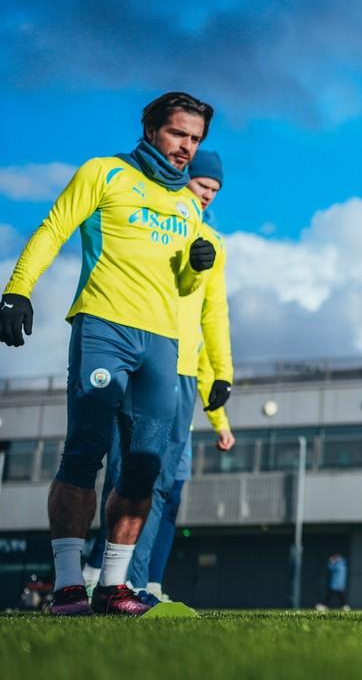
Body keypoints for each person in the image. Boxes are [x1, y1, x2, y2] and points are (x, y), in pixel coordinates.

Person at [0, 92, 217, 615]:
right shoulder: (105, 173)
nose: (186, 147)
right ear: (151, 129)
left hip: (162, 344)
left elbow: (184, 286)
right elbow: (54, 227)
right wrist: (18, 289)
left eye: (195, 139)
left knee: (144, 467)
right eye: (178, 134)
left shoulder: (188, 204)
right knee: (84, 451)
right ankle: (69, 583)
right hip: (104, 328)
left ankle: (114, 585)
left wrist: (197, 266)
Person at [81, 150, 236, 605]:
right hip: (144, 359)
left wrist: (222, 374)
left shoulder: (214, 241)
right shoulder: (152, 223)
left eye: (214, 190)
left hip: (186, 370)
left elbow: (215, 310)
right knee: (124, 471)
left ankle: (140, 583)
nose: (207, 194)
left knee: (160, 481)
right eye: (202, 184)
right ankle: (105, 575)